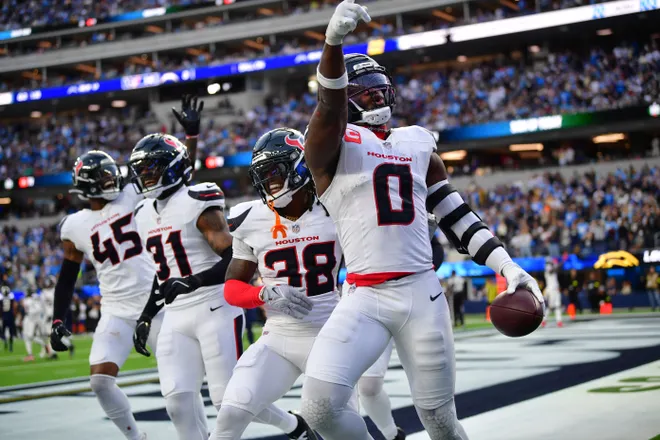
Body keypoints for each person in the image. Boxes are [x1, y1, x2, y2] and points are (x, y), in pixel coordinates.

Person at [297, 2, 544, 439]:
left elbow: (457, 216)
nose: (374, 98)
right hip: (362, 294)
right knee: (319, 407)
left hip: (421, 292)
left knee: (440, 421)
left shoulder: (417, 143)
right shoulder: (328, 145)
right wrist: (332, 44)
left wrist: (508, 266)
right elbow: (329, 106)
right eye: (364, 93)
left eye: (379, 90)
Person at [129, 133, 307, 440]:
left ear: (171, 167)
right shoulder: (142, 213)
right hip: (174, 315)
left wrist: (194, 280)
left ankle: (293, 425)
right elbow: (164, 275)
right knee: (177, 402)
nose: (145, 176)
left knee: (228, 400)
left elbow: (232, 258)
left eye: (151, 168)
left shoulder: (197, 202)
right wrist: (147, 313)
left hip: (213, 307)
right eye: (141, 170)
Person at [21, 288, 51, 361]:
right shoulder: (36, 298)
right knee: (30, 337)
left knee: (28, 337)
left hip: (30, 319)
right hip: (37, 319)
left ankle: (30, 355)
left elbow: (27, 309)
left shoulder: (27, 300)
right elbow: (40, 308)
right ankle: (43, 346)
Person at [542, 258, 563, 327]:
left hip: (556, 289)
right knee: (551, 306)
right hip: (551, 290)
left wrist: (561, 262)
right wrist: (561, 261)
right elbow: (552, 270)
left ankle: (559, 321)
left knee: (558, 306)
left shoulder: (552, 266)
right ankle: (544, 320)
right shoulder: (548, 267)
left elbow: (558, 269)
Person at [1, 285, 16, 352]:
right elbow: (13, 306)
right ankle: (10, 346)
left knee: (3, 331)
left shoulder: (2, 298)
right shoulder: (11, 297)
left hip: (4, 316)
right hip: (10, 316)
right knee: (10, 332)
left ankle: (6, 343)